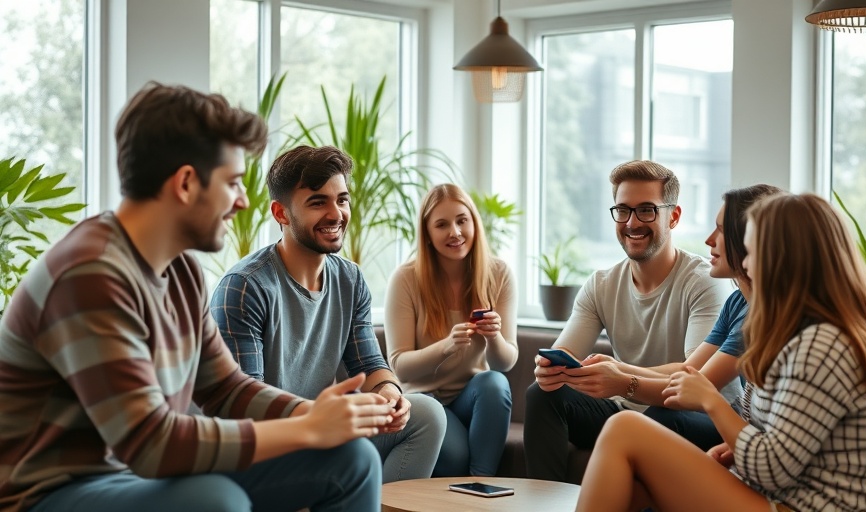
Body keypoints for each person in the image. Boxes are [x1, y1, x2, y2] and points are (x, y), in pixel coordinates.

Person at [0, 84, 392, 512]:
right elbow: (149, 444)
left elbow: (226, 388)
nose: (243, 202)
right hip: (49, 493)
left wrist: (316, 416)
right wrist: (307, 428)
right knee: (214, 500)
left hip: (137, 477)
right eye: (232, 183)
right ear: (186, 182)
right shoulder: (90, 273)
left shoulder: (180, 269)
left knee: (351, 458)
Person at [576, 192, 866, 512]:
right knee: (635, 489)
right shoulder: (801, 333)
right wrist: (731, 449)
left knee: (625, 428)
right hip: (779, 495)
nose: (745, 262)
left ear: (781, 259)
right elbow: (781, 439)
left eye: (753, 251)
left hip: (799, 507)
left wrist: (710, 401)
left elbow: (772, 468)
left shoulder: (821, 345)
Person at [211, 145, 447, 483]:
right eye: (318, 202)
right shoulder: (245, 287)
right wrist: (319, 421)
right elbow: (245, 404)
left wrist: (390, 397)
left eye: (342, 199)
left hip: (323, 430)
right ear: (281, 213)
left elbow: (369, 365)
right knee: (353, 452)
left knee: (427, 414)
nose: (336, 213)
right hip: (265, 446)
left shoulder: (350, 279)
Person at [524, 160, 732, 482]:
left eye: (646, 210)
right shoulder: (602, 284)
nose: (632, 222)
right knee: (542, 395)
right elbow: (564, 352)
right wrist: (551, 369)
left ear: (673, 216)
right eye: (623, 210)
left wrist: (620, 376)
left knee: (665, 414)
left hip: (698, 418)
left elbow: (694, 377)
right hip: (627, 412)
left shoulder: (705, 281)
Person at [579, 184, 781, 451]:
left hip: (733, 428)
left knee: (659, 418)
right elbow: (691, 370)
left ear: (750, 241)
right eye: (623, 211)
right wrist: (619, 369)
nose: (709, 240)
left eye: (721, 230)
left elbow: (697, 387)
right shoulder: (738, 301)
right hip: (744, 433)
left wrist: (622, 382)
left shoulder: (759, 313)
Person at [384, 183, 518, 477]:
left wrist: (494, 337)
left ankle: (480, 488)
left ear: (474, 223)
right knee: (456, 457)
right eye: (442, 225)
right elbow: (400, 367)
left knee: (495, 383)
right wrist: (446, 346)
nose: (455, 232)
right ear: (428, 235)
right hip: (424, 398)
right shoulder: (405, 279)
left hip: (474, 398)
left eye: (462, 220)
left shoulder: (499, 274)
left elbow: (505, 362)